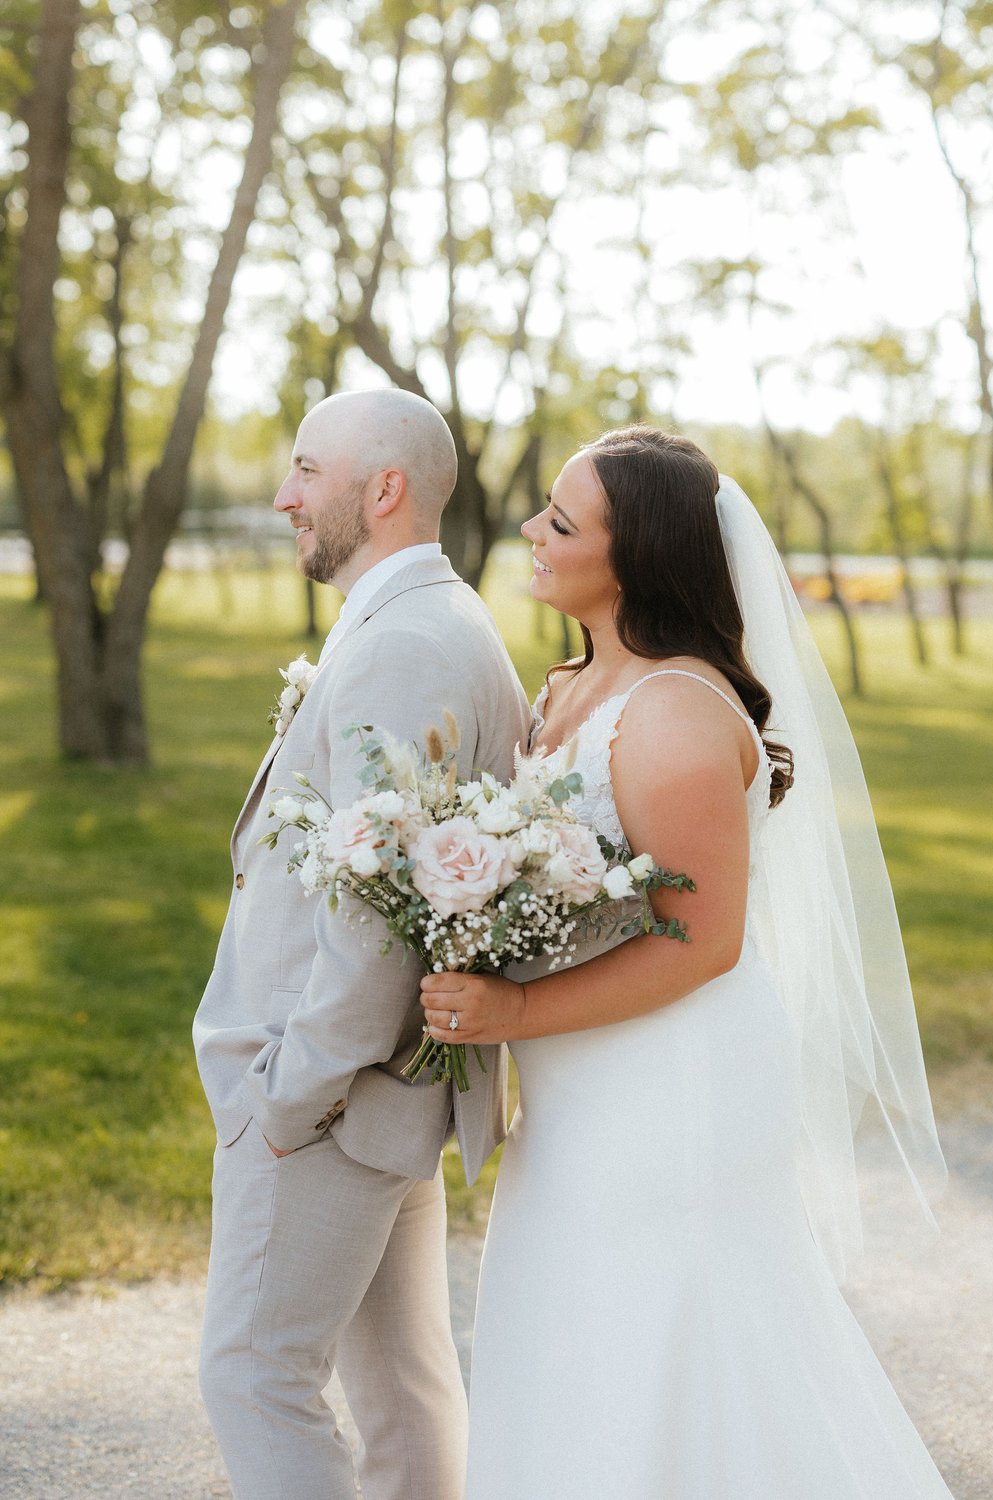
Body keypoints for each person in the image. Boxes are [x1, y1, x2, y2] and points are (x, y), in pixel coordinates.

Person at [421, 426, 953, 1498]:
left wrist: (510, 1014)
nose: (531, 529)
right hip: (584, 1084)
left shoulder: (670, 711)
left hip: (673, 1087)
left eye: (561, 522)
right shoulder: (571, 682)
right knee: (575, 1324)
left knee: (668, 1336)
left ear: (642, 557)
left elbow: (700, 942)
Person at [193, 387, 531, 1500]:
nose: (284, 493)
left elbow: (373, 911)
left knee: (254, 1373)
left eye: (305, 470)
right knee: (402, 1387)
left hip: (334, 1096)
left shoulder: (409, 642)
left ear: (382, 490)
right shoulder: (422, 619)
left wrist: (293, 1094)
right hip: (375, 1095)